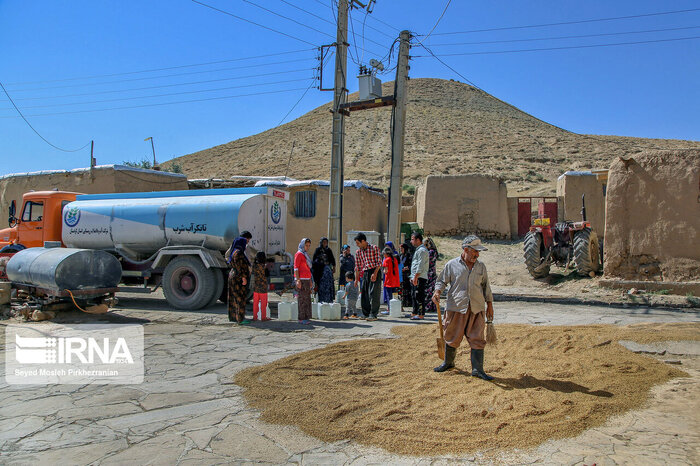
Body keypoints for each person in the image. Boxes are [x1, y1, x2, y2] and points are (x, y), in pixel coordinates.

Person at [432, 235, 495, 380]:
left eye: (479, 252)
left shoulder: (481, 266)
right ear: (466, 249)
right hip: (456, 308)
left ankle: (478, 370)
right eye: (475, 251)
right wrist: (437, 292)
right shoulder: (451, 265)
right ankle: (448, 363)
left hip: (477, 308)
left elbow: (486, 287)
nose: (477, 255)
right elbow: (441, 281)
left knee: (477, 338)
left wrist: (489, 305)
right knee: (451, 336)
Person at [353, 232, 383, 321]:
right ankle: (365, 313)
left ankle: (373, 314)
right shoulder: (358, 252)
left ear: (363, 241)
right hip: (366, 273)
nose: (357, 245)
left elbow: (379, 263)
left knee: (374, 293)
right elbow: (358, 266)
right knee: (364, 293)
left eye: (358, 243)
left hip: (375, 271)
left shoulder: (374, 248)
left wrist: (375, 273)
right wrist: (356, 279)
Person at [227, 237, 251, 324]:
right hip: (238, 278)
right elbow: (239, 267)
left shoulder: (234, 252)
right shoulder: (239, 253)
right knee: (240, 298)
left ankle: (234, 317)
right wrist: (243, 278)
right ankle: (240, 319)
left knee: (234, 297)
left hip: (234, 276)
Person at [294, 238, 314, 324]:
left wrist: (310, 280)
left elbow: (308, 269)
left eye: (309, 246)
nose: (307, 247)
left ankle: (307, 316)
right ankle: (301, 318)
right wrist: (298, 280)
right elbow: (296, 268)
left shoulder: (305, 255)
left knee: (307, 299)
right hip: (301, 279)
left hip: (306, 279)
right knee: (302, 299)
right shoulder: (299, 254)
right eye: (306, 245)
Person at [410, 232, 429, 320]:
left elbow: (420, 265)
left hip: (420, 277)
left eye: (412, 239)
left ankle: (421, 314)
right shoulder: (418, 250)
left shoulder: (422, 250)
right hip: (415, 276)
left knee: (419, 296)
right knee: (414, 296)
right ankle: (414, 312)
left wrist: (416, 277)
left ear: (418, 240)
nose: (411, 241)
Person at [312, 237, 336, 303]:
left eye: (326, 242)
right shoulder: (318, 250)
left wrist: (334, 267)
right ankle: (321, 300)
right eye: (324, 242)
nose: (325, 244)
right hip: (319, 271)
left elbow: (332, 259)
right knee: (321, 286)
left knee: (328, 286)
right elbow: (314, 261)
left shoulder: (328, 250)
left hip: (327, 270)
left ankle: (329, 300)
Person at [252, 251, 270, 321]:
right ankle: (263, 317)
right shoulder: (264, 267)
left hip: (256, 287)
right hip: (263, 287)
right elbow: (267, 275)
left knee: (255, 303)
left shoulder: (254, 266)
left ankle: (255, 317)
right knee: (263, 303)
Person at [381, 247, 400, 312]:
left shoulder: (386, 260)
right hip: (395, 280)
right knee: (394, 295)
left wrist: (383, 272)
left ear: (386, 254)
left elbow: (386, 271)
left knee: (389, 296)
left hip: (389, 281)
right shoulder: (395, 259)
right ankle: (394, 309)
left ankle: (389, 309)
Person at [424, 237, 439, 313]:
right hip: (432, 272)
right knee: (431, 290)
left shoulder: (430, 252)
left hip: (429, 273)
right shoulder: (434, 252)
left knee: (428, 291)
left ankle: (428, 307)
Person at [399, 242, 414, 307]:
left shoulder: (409, 256)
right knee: (402, 288)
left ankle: (409, 302)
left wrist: (407, 267)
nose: (401, 250)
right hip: (401, 274)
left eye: (402, 248)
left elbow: (412, 264)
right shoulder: (400, 256)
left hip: (407, 274)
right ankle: (403, 302)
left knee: (408, 288)